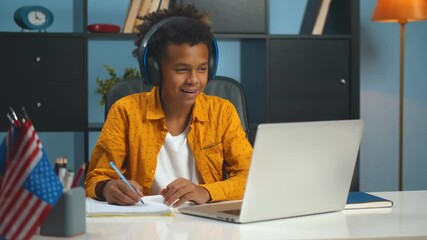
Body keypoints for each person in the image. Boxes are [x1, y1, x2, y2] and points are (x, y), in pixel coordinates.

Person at [84, 4, 253, 207]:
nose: (194, 79)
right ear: (154, 70)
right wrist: (107, 187)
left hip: (205, 225)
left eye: (202, 69)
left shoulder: (222, 113)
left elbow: (251, 177)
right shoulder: (126, 111)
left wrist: (205, 191)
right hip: (144, 225)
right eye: (181, 69)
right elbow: (95, 178)